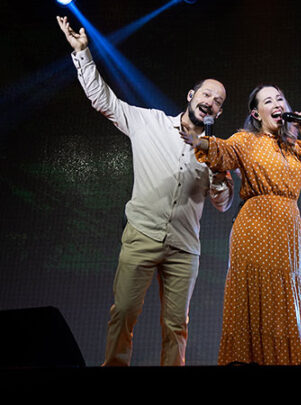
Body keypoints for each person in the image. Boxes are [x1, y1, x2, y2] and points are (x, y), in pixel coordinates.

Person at [57, 16, 234, 366]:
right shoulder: (149, 122)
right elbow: (103, 100)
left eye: (218, 100)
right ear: (191, 96)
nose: (210, 101)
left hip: (184, 247)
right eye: (206, 94)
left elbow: (223, 203)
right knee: (123, 313)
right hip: (141, 235)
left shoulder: (218, 150)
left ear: (219, 112)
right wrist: (82, 54)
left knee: (176, 325)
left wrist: (213, 163)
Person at [181, 84, 301, 365]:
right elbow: (221, 151)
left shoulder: (296, 147)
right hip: (254, 227)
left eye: (280, 98)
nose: (278, 103)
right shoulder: (245, 140)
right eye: (269, 100)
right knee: (254, 297)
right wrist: (199, 141)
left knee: (287, 299)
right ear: (256, 113)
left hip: (288, 230)